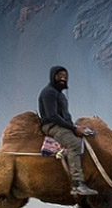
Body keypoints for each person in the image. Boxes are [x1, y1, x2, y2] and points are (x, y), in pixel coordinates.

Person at [39, 66, 98, 197]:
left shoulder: (59, 94)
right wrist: (74, 129)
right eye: (59, 75)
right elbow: (52, 116)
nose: (63, 78)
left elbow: (64, 116)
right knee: (74, 144)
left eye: (65, 76)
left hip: (61, 125)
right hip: (52, 126)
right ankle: (77, 184)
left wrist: (76, 127)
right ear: (53, 76)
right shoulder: (49, 93)